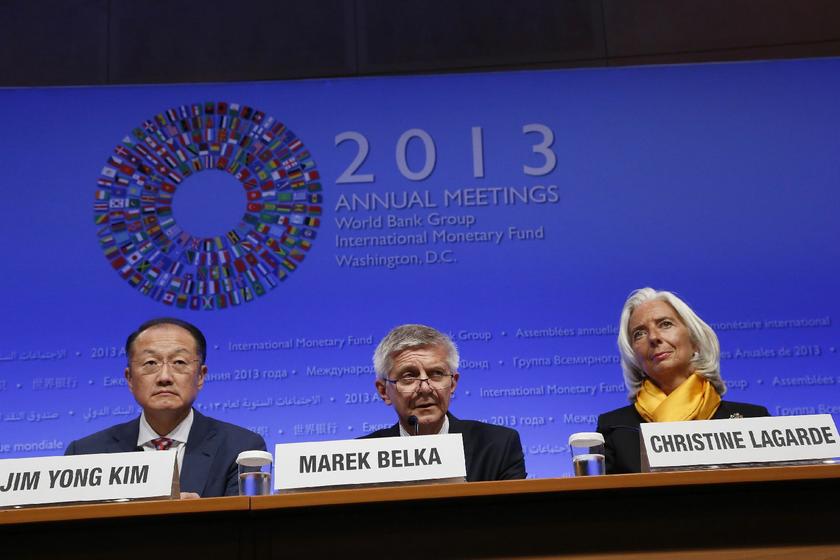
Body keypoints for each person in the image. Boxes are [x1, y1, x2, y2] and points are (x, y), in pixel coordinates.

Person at [65, 317, 266, 497]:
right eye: (150, 363)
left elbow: (245, 532)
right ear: (129, 378)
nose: (164, 377)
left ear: (201, 376)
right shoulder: (86, 453)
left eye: (179, 362)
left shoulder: (240, 449)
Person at [597, 288, 769, 474]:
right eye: (639, 333)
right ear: (634, 357)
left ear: (695, 340)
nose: (653, 337)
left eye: (665, 324)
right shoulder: (613, 429)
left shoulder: (753, 419)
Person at [362, 324, 526, 481]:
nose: (425, 388)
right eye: (408, 376)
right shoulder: (362, 458)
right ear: (384, 391)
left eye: (436, 373)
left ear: (453, 383)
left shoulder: (498, 446)